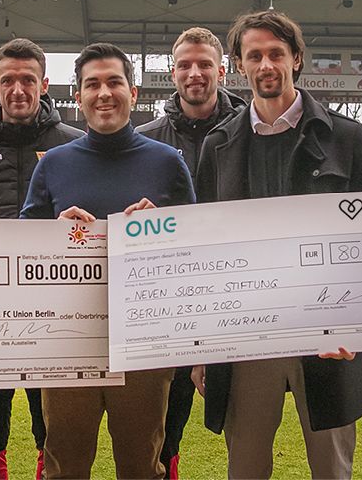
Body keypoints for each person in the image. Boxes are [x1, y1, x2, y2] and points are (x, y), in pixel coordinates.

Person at [193, 11, 362, 479]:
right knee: (247, 467)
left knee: (332, 469)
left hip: (328, 336)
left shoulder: (348, 138)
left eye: (276, 53)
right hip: (246, 337)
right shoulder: (217, 146)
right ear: (239, 64)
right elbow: (201, 255)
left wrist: (360, 327)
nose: (265, 64)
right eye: (254, 55)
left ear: (296, 59)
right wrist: (201, 350)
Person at [21, 42, 195, 479]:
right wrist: (54, 234)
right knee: (65, 464)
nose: (104, 93)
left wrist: (165, 229)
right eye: (92, 85)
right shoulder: (52, 165)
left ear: (133, 93)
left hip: (143, 340)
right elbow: (22, 251)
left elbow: (197, 254)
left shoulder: (168, 162)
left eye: (114, 82)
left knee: (140, 464)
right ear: (77, 98)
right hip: (67, 340)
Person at [0, 38, 83, 480]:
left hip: (57, 310)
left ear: (45, 84)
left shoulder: (75, 144)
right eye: (9, 80)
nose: (18, 89)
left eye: (28, 79)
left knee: (55, 434)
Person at [135, 27, 244, 479]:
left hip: (239, 294)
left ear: (222, 69)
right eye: (185, 65)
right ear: (172, 72)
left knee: (248, 422)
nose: (195, 73)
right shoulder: (144, 138)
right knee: (164, 423)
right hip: (168, 303)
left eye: (204, 65)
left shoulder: (250, 129)